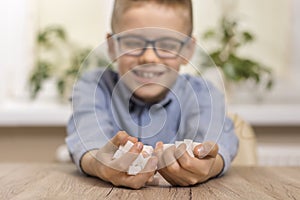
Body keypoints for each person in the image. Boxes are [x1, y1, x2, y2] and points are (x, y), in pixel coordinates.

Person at [66, 0, 238, 189]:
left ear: (187, 50)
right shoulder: (94, 87)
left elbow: (217, 142)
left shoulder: (204, 94)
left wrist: (209, 165)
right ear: (112, 47)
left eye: (167, 45)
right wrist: (98, 164)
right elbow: (87, 138)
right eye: (132, 42)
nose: (149, 57)